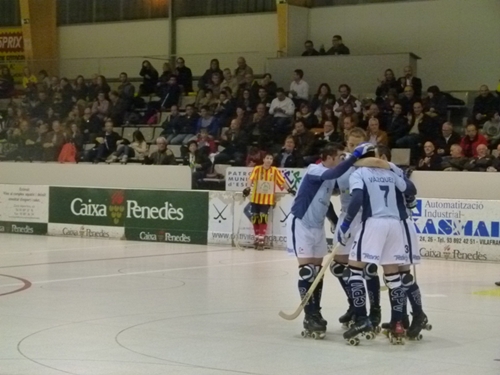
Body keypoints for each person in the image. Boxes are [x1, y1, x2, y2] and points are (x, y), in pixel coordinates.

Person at [285, 142, 375, 338]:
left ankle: (316, 311)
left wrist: (335, 222)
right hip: (301, 223)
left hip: (317, 227)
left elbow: (327, 202)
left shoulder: (329, 177)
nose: (341, 160)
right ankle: (310, 315)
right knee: (307, 272)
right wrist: (353, 156)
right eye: (339, 157)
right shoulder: (315, 170)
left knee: (318, 273)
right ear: (329, 157)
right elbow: (333, 175)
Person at [339, 145, 417, 344]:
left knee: (354, 270)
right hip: (395, 225)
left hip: (374, 222)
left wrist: (347, 223)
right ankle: (398, 323)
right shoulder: (388, 172)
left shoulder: (359, 173)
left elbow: (356, 198)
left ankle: (362, 319)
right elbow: (411, 189)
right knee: (393, 276)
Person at [330, 128, 384, 330]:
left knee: (367, 267)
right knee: (339, 266)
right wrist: (335, 219)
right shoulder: (342, 162)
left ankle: (375, 309)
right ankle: (355, 304)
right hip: (346, 215)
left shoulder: (371, 164)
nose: (355, 149)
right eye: (351, 145)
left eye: (359, 146)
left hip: (367, 217)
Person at [376, 145, 430, 340]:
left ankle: (414, 315)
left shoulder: (391, 170)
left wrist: (408, 201)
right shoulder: (376, 172)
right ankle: (401, 318)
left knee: (402, 276)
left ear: (382, 156)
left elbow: (411, 196)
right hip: (389, 226)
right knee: (395, 276)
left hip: (401, 224)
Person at [243, 153, 294, 250]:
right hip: (256, 198)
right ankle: (257, 237)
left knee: (263, 217)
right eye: (267, 158)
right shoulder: (257, 169)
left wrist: (289, 189)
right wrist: (248, 188)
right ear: (263, 160)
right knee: (255, 218)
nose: (269, 160)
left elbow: (282, 181)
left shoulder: (274, 171)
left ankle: (261, 238)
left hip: (267, 199)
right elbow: (251, 179)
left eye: (271, 158)